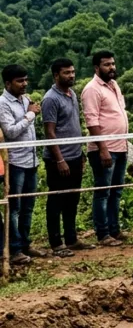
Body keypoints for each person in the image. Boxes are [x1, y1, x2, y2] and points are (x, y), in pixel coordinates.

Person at [42, 59, 91, 256]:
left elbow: (75, 124)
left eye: (72, 72)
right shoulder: (50, 99)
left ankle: (71, 239)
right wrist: (60, 159)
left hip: (75, 155)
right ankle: (56, 243)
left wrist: (81, 154)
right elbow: (50, 132)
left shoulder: (72, 95)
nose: (71, 75)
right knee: (56, 200)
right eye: (66, 73)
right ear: (56, 75)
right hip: (58, 159)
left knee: (72, 199)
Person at [82, 50, 129, 247]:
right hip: (104, 149)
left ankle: (114, 229)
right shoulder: (92, 89)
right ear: (96, 67)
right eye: (107, 65)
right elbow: (92, 121)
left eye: (113, 64)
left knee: (116, 191)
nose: (112, 68)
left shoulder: (114, 85)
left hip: (121, 146)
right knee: (103, 192)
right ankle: (103, 234)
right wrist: (103, 149)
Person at [0, 64, 42, 265]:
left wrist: (30, 112)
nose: (24, 84)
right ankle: (14, 249)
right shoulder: (3, 104)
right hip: (15, 162)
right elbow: (11, 131)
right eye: (19, 81)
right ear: (8, 83)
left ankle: (25, 244)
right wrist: (31, 114)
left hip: (31, 160)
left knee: (28, 206)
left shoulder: (25, 100)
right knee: (14, 208)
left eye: (26, 80)